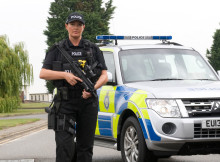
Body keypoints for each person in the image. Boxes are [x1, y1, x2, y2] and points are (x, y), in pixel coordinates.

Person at [39, 12, 108, 162]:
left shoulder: (93, 49)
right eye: (72, 24)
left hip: (88, 103)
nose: (75, 28)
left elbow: (104, 75)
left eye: (79, 25)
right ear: (66, 26)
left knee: (85, 147)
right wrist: (64, 75)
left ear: (83, 27)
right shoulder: (56, 49)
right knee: (64, 147)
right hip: (65, 103)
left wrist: (92, 88)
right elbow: (43, 73)